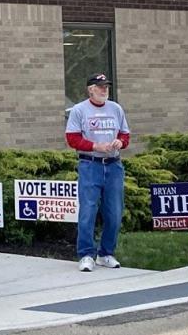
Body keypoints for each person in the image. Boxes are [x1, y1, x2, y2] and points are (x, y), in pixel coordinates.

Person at [65, 73, 130, 272]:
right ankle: (86, 254)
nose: (104, 90)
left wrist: (120, 142)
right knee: (88, 210)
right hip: (90, 165)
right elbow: (72, 139)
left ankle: (106, 253)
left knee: (114, 212)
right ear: (90, 89)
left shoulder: (116, 109)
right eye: (100, 86)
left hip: (113, 165)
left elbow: (125, 134)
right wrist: (95, 146)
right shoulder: (79, 110)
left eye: (106, 87)